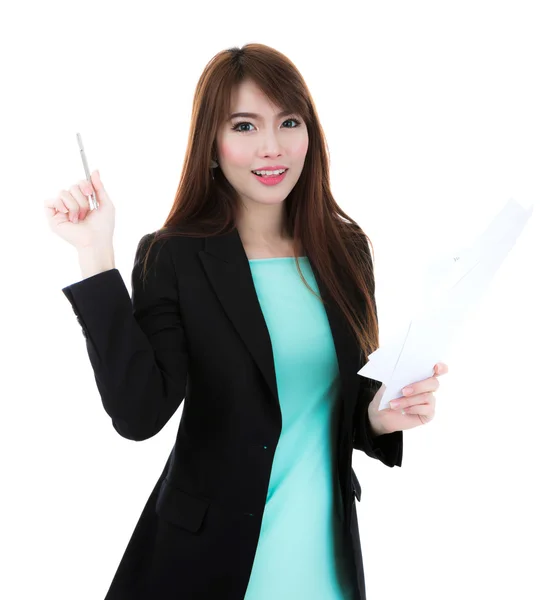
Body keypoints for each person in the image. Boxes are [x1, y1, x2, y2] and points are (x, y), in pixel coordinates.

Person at [44, 43, 448, 600]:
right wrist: (95, 257)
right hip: (207, 564)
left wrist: (381, 414)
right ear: (212, 143)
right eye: (244, 125)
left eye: (288, 121)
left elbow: (338, 409)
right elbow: (138, 414)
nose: (271, 146)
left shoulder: (346, 250)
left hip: (319, 561)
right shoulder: (175, 257)